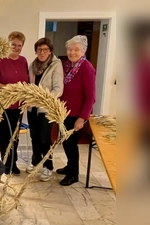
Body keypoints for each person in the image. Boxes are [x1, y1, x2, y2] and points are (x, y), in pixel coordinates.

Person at [57, 35, 96, 186]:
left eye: (76, 49)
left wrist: (82, 118)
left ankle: (74, 174)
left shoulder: (87, 68)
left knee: (71, 144)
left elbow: (91, 96)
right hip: (65, 113)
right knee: (66, 143)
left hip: (76, 115)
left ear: (83, 50)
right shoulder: (67, 65)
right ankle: (69, 166)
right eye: (70, 49)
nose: (72, 52)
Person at [0, 31, 29, 175]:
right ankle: (5, 163)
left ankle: (14, 162)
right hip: (3, 104)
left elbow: (26, 81)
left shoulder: (23, 61)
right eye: (14, 44)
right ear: (8, 44)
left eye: (19, 45)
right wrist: (9, 88)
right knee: (4, 135)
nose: (16, 47)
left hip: (18, 104)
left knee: (15, 135)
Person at [26, 37, 64, 181]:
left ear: (50, 51)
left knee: (44, 139)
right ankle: (36, 161)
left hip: (45, 110)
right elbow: (30, 86)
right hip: (32, 109)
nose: (42, 52)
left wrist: (41, 100)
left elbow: (58, 90)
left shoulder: (56, 65)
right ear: (36, 51)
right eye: (39, 49)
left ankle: (48, 166)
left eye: (45, 49)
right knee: (34, 137)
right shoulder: (32, 66)